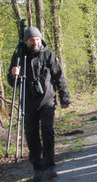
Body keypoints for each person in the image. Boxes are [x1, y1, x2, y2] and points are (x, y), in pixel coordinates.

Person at [7, 27, 70, 181]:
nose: (34, 42)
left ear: (40, 39)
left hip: (47, 100)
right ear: (26, 41)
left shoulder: (48, 54)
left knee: (48, 132)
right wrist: (13, 74)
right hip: (28, 102)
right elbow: (12, 83)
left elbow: (59, 76)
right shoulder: (20, 56)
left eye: (36, 39)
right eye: (31, 40)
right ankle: (37, 167)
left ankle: (50, 165)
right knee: (32, 135)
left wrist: (64, 97)